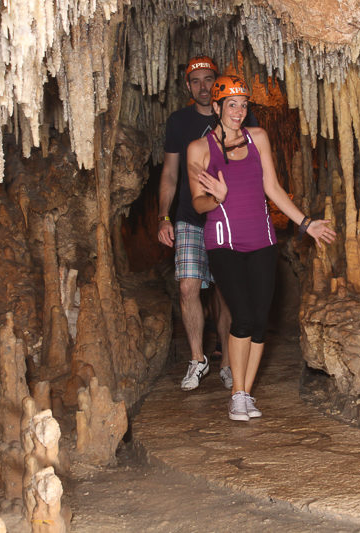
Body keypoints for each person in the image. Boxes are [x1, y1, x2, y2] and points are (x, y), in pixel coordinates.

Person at [186, 75, 336, 421]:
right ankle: (237, 393)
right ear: (218, 107)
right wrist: (216, 198)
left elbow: (273, 187)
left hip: (263, 240)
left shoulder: (258, 139)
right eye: (232, 104)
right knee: (241, 315)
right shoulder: (199, 148)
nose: (239, 111)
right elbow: (197, 202)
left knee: (258, 320)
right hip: (224, 242)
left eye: (243, 105)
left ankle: (246, 394)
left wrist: (305, 223)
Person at [157, 56, 234, 391]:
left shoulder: (235, 115)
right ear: (188, 86)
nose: (204, 87)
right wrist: (163, 216)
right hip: (189, 218)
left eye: (209, 80)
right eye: (197, 81)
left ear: (217, 83)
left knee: (225, 292)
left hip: (226, 217)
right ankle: (197, 358)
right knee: (188, 286)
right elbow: (170, 175)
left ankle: (229, 361)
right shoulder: (178, 122)